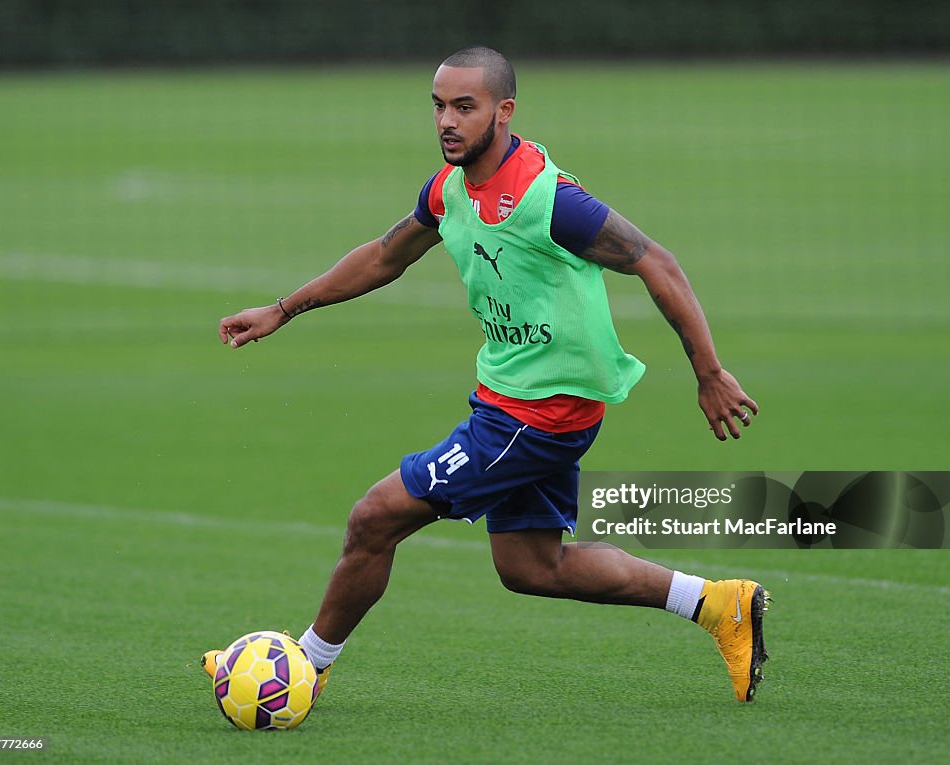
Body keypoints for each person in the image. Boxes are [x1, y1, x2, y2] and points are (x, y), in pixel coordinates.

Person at [204, 46, 769, 703]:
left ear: (503, 112)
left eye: (463, 107)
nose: (447, 120)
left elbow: (657, 263)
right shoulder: (449, 189)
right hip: (510, 400)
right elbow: (386, 256)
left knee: (374, 517)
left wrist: (709, 372)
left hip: (538, 416)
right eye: (439, 106)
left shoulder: (548, 199)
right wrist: (283, 309)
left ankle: (303, 666)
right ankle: (717, 604)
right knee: (530, 565)